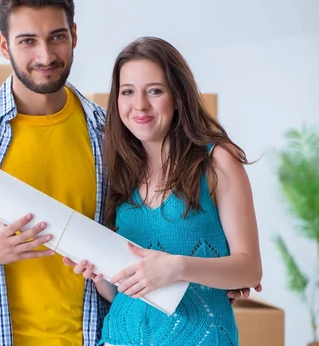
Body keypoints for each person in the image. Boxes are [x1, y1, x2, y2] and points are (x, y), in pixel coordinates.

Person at [0, 0, 254, 346]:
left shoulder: (111, 135)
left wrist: (215, 280)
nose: (45, 55)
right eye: (27, 41)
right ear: (4, 45)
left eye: (57, 37)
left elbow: (145, 239)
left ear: (75, 36)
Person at [66, 36, 263, 346]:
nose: (139, 105)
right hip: (119, 338)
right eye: (128, 92)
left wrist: (176, 267)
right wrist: (99, 272)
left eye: (154, 91)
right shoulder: (120, 171)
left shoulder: (216, 162)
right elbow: (125, 290)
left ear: (178, 96)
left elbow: (249, 269)